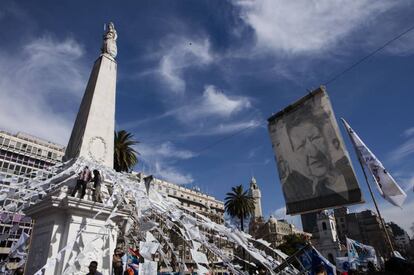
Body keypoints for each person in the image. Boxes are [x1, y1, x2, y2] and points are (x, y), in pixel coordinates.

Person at [277, 101, 361, 213]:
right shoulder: (303, 189)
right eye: (301, 145)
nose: (312, 152)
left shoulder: (346, 174)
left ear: (326, 138)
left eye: (315, 138)